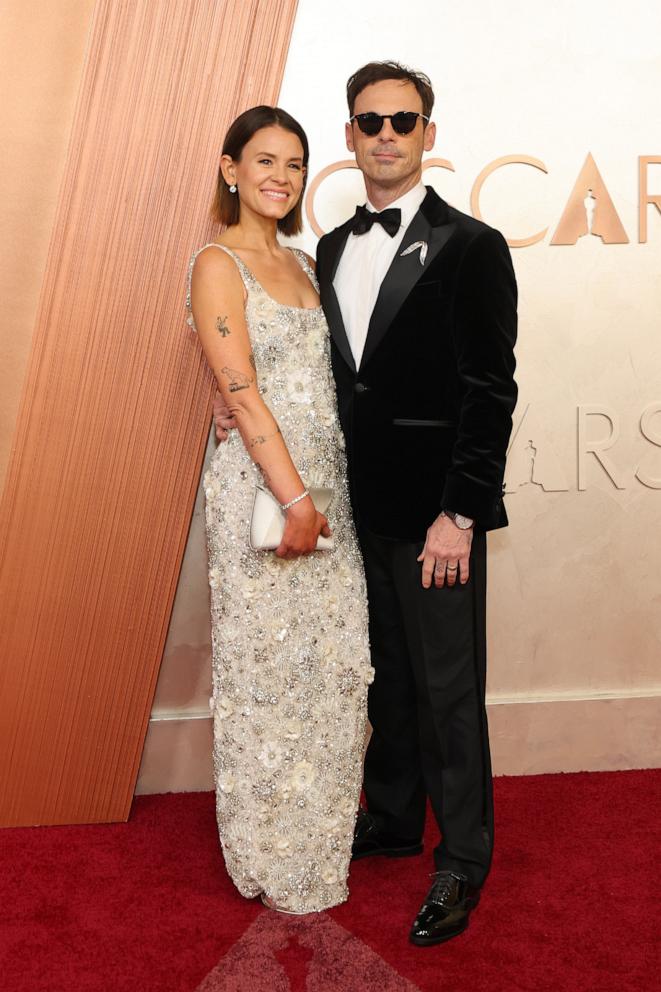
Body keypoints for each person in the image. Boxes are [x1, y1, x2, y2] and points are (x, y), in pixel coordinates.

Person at [215, 61, 517, 945]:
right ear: (349, 137)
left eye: (402, 120)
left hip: (433, 524)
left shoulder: (471, 246)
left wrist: (458, 513)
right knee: (383, 682)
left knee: (448, 694)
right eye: (368, 121)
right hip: (350, 517)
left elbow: (488, 392)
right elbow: (313, 377)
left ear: (428, 133)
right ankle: (389, 821)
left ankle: (461, 858)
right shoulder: (330, 250)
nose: (385, 135)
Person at [187, 105, 372, 915]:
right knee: (266, 673)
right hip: (268, 494)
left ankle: (319, 836)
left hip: (328, 488)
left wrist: (317, 491)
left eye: (294, 163)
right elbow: (240, 384)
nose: (280, 176)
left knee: (329, 672)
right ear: (230, 169)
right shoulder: (217, 261)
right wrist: (291, 498)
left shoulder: (303, 261)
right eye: (263, 160)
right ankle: (268, 849)